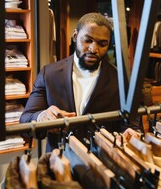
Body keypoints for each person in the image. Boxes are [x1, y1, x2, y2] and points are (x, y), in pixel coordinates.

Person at [20, 12, 124, 152]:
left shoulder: (120, 79)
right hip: (59, 162)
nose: (94, 49)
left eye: (102, 44)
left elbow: (132, 125)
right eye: (87, 40)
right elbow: (25, 121)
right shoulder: (49, 74)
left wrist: (129, 134)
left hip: (102, 164)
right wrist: (41, 117)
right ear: (75, 36)